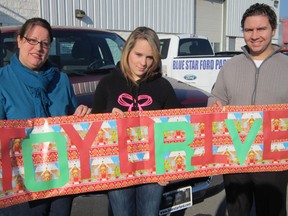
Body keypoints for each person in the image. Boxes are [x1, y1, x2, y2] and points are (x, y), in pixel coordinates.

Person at [0, 17, 91, 215]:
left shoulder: (62, 80)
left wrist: (81, 116)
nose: (38, 48)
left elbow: (72, 125)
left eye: (44, 43)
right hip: (22, 186)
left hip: (59, 180)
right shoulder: (2, 80)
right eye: (32, 40)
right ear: (20, 41)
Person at [91, 26, 182, 216]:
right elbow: (92, 131)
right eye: (138, 54)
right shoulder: (108, 83)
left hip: (153, 171)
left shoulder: (163, 87)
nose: (143, 63)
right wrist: (105, 119)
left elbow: (177, 129)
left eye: (150, 58)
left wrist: (169, 166)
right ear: (127, 51)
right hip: (118, 170)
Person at [208, 3, 288, 216]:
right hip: (235, 159)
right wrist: (215, 106)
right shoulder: (230, 66)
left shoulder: (286, 67)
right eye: (248, 30)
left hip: (273, 161)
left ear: (273, 29)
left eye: (261, 29)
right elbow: (216, 98)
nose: (254, 36)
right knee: (237, 212)